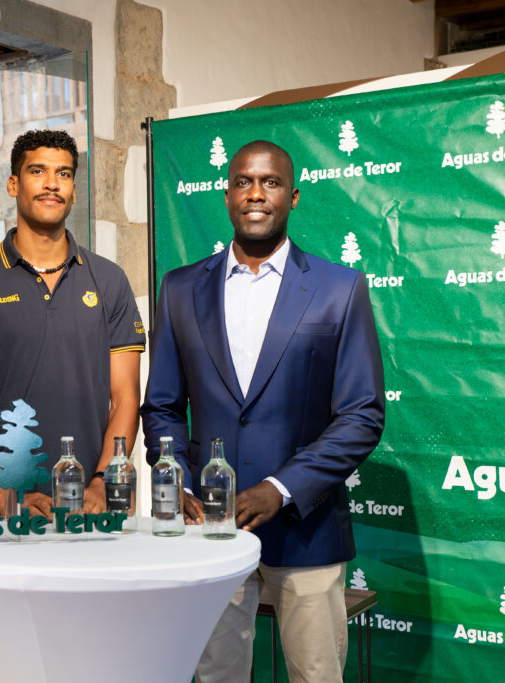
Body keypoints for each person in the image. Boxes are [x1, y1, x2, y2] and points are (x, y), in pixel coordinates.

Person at [141, 140, 385, 682]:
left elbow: (362, 414)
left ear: (292, 196)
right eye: (243, 182)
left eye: (270, 182)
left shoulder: (338, 288)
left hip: (308, 528)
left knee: (316, 674)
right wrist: (178, 483)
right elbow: (160, 407)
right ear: (226, 194)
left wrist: (281, 488)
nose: (256, 193)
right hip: (209, 528)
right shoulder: (180, 289)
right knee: (214, 674)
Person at [0, 129, 146, 518]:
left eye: (64, 174)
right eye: (38, 171)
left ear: (73, 189)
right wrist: (4, 495)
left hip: (89, 509)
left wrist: (105, 480)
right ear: (14, 183)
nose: (53, 184)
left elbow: (125, 398)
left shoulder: (109, 280)